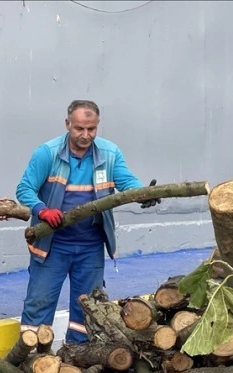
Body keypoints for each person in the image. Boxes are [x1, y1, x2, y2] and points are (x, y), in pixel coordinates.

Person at [15, 99, 159, 344]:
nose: (85, 135)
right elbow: (25, 189)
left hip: (90, 247)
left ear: (97, 125)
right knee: (39, 304)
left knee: (88, 309)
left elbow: (127, 183)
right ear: (67, 124)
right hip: (52, 246)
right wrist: (42, 210)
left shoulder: (109, 153)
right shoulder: (47, 153)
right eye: (79, 128)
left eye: (91, 129)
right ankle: (29, 361)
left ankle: (78, 357)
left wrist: (143, 194)